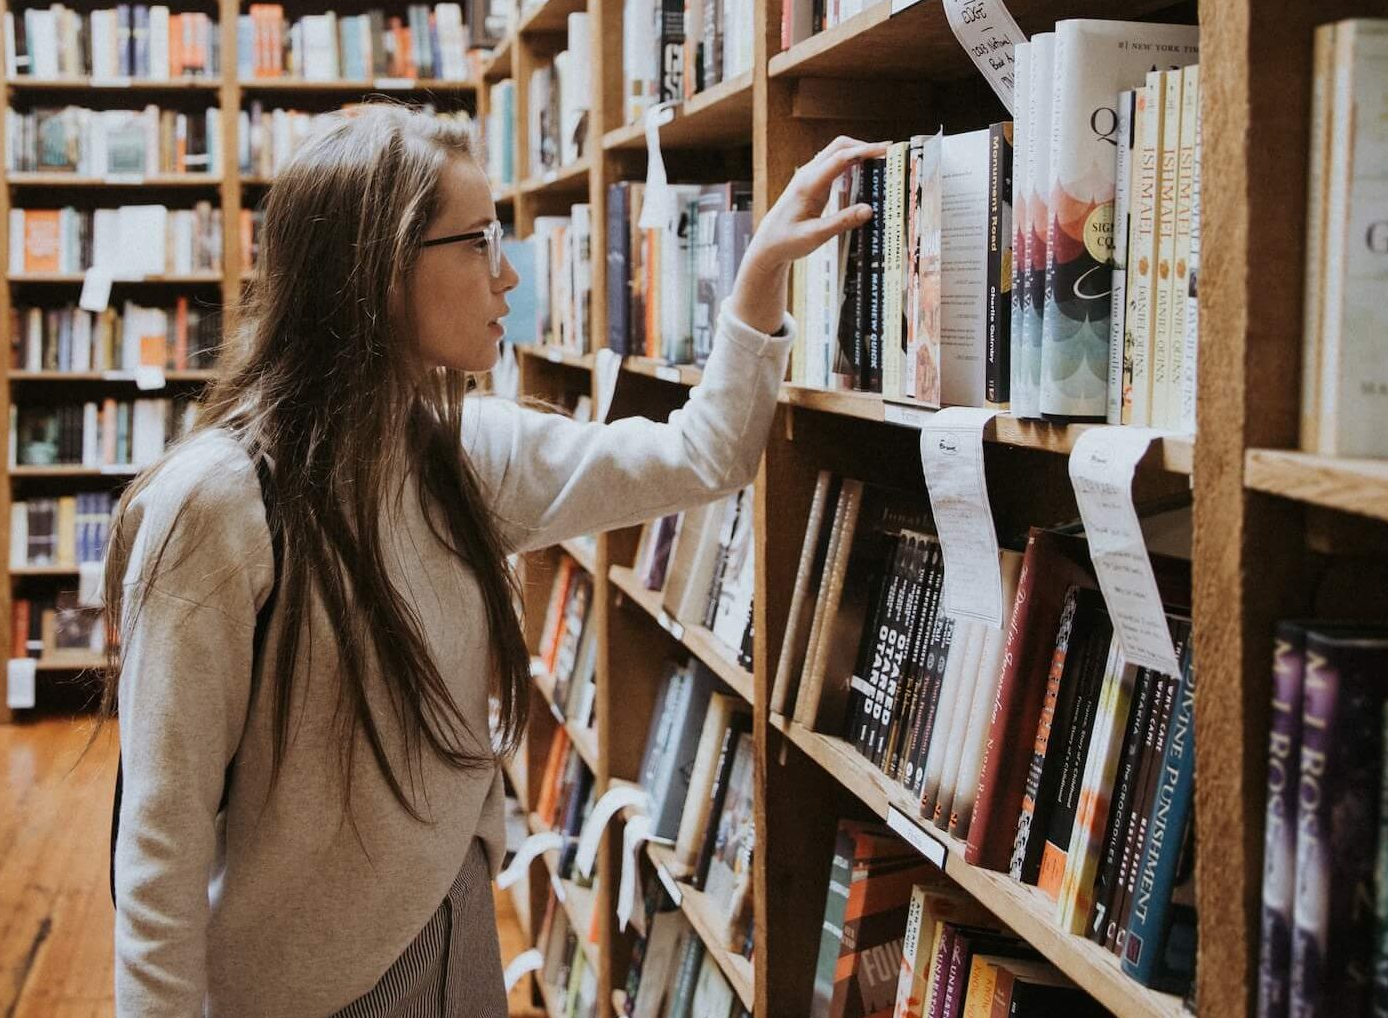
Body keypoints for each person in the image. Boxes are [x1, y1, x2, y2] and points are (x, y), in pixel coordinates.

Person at [106, 104, 880, 1016]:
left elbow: (705, 455)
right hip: (307, 989)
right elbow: (160, 842)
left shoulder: (467, 455)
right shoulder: (217, 504)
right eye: (478, 243)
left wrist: (759, 275)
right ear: (379, 270)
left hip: (458, 931)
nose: (507, 274)